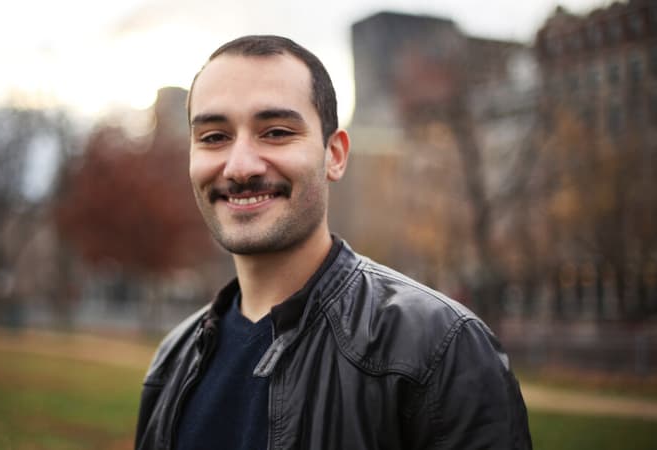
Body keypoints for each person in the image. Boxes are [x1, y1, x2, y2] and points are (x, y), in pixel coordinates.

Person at [134, 35, 532, 450]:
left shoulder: (441, 348)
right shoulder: (173, 360)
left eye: (275, 131)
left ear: (335, 155)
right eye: (214, 137)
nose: (240, 167)